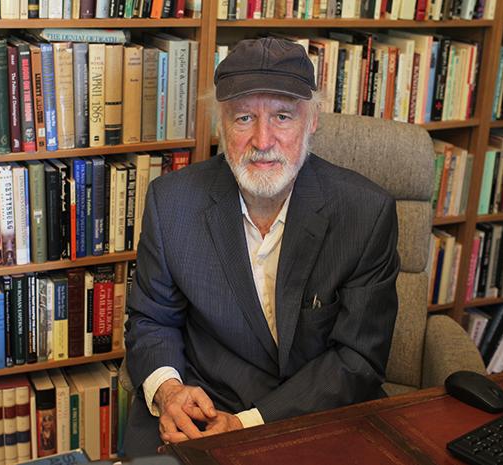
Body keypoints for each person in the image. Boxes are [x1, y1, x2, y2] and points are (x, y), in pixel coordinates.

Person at [123, 37, 400, 457]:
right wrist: (169, 391)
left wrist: (245, 425)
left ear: (312, 121)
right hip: (201, 404)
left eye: (283, 116)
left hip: (318, 410)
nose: (263, 140)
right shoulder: (171, 202)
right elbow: (151, 319)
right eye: (244, 118)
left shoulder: (366, 212)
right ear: (220, 124)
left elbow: (358, 357)